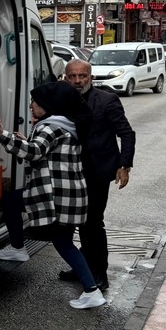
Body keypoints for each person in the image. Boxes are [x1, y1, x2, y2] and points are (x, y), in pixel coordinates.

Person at [0, 81, 106, 310]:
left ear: (48, 104)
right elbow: (46, 151)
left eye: (34, 101)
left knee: (13, 203)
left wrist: (2, 135)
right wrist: (25, 140)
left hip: (55, 196)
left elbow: (34, 152)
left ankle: (18, 248)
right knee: (62, 241)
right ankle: (91, 290)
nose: (31, 105)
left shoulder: (50, 126)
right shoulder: (66, 124)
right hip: (68, 195)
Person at [61, 60, 136, 291]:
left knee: (92, 224)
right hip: (69, 172)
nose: (78, 81)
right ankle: (81, 266)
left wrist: (124, 165)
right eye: (72, 77)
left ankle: (99, 273)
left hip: (97, 171)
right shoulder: (61, 100)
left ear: (90, 77)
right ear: (66, 78)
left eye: (82, 76)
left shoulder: (106, 100)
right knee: (73, 222)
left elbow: (126, 133)